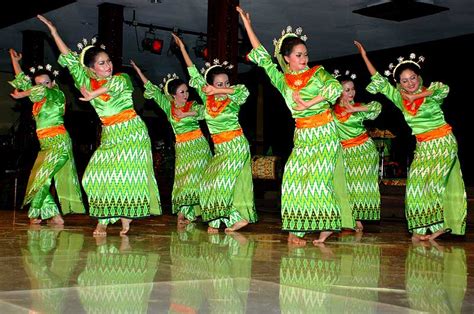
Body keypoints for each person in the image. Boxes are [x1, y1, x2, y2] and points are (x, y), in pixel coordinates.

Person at [237, 6, 354, 245]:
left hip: (324, 132)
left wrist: (308, 102)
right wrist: (247, 25)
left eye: (305, 54)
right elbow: (260, 54)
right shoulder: (282, 80)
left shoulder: (317, 73)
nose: (304, 59)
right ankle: (296, 228)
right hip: (303, 134)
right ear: (287, 58)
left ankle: (327, 223)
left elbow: (334, 89)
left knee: (319, 180)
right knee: (292, 178)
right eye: (299, 55)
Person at [38, 15, 161, 236]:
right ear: (91, 68)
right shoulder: (84, 79)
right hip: (110, 133)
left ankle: (115, 219)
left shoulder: (121, 78)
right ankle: (108, 216)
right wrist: (54, 32)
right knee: (94, 176)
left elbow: (112, 85)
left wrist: (94, 93)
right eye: (102, 63)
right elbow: (68, 57)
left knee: (128, 175)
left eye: (109, 61)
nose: (109, 65)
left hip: (132, 131)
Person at [355, 40, 467, 241]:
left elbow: (444, 89)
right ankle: (420, 229)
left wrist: (419, 96)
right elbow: (379, 80)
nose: (410, 83)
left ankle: (442, 226)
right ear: (399, 82)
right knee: (415, 186)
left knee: (432, 185)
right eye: (404, 80)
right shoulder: (399, 97)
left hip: (443, 142)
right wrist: (364, 55)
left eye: (412, 78)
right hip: (423, 145)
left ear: (418, 77)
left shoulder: (431, 94)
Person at [172, 33, 258, 233]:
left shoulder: (233, 98)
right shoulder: (206, 96)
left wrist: (223, 91)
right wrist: (183, 48)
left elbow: (243, 91)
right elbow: (193, 72)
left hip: (236, 145)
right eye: (219, 84)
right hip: (220, 148)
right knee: (209, 182)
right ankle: (221, 219)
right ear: (209, 85)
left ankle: (228, 219)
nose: (225, 87)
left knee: (222, 183)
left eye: (226, 83)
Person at [8, 48, 85, 225]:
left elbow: (37, 91)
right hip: (45, 144)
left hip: (59, 142)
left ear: (52, 83)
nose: (42, 86)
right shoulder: (37, 98)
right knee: (39, 178)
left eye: (46, 83)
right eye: (38, 84)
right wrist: (15, 62)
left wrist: (22, 94)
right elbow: (24, 82)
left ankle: (35, 214)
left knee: (42, 177)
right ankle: (54, 214)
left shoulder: (57, 94)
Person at [131, 60, 212, 226]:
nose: (186, 95)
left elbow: (205, 112)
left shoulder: (193, 105)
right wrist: (138, 71)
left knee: (199, 179)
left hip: (199, 146)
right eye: (182, 92)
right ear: (173, 95)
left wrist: (188, 114)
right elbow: (151, 89)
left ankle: (202, 210)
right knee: (184, 180)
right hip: (183, 147)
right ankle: (183, 212)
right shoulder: (168, 106)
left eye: (187, 91)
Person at [331, 70, 382, 231]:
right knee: (346, 186)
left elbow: (377, 107)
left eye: (352, 89)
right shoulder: (331, 113)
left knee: (361, 186)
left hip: (364, 151)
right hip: (345, 152)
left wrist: (355, 110)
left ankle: (358, 220)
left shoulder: (359, 107)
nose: (351, 92)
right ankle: (352, 219)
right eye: (347, 90)